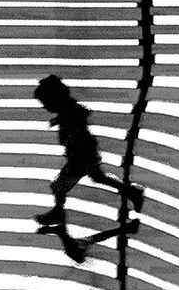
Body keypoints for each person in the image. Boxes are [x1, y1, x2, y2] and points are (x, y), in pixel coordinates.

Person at [32, 74, 145, 262]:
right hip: (83, 155)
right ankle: (132, 193)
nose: (45, 107)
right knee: (98, 177)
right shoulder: (68, 111)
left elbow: (77, 122)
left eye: (46, 103)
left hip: (80, 157)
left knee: (59, 186)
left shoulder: (71, 112)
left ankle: (58, 212)